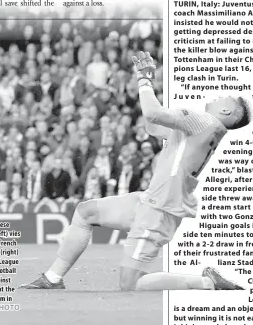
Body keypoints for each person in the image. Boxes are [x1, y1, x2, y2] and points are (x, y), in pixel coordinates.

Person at [21, 51, 251, 291]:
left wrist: (145, 81)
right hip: (150, 201)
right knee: (85, 211)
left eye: (227, 99)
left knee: (130, 284)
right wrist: (142, 89)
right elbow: (153, 125)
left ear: (227, 112)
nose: (220, 96)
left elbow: (153, 114)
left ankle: (206, 282)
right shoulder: (203, 131)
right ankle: (52, 278)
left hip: (158, 210)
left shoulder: (203, 121)